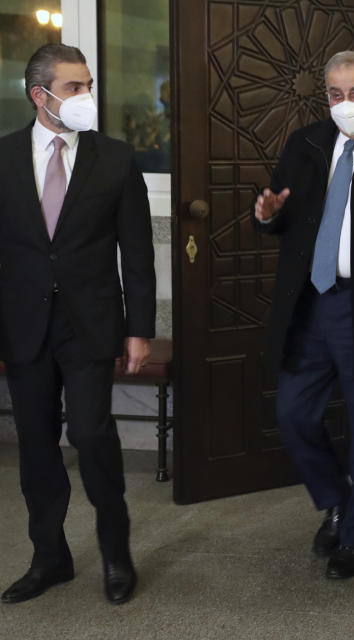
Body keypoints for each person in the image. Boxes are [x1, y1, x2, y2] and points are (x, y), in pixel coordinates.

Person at [252, 51, 354, 580]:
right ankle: (338, 499)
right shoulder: (306, 142)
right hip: (310, 302)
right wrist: (268, 218)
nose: (346, 104)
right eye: (335, 94)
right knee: (294, 415)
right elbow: (285, 214)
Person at [0, 44, 155, 605]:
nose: (87, 96)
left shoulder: (114, 158)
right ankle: (50, 558)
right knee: (37, 446)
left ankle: (116, 552)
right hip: (24, 325)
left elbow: (137, 253)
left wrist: (139, 329)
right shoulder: (3, 157)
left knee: (90, 436)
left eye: (89, 84)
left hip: (90, 323)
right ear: (40, 95)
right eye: (74, 87)